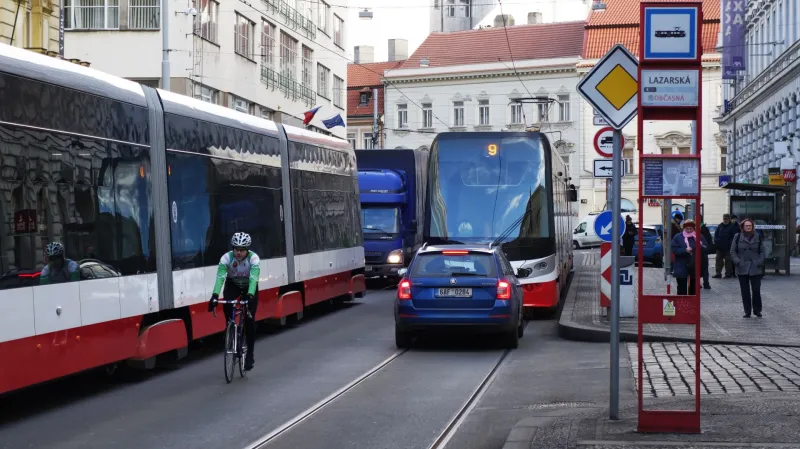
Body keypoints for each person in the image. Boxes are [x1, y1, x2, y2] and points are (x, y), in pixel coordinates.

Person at [208, 232, 260, 371]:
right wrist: (214, 295)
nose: (238, 252)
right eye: (236, 249)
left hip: (249, 287)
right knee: (227, 304)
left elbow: (254, 279)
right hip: (233, 285)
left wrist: (250, 295)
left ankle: (250, 355)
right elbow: (220, 278)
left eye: (242, 250)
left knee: (249, 321)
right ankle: (230, 328)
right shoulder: (226, 258)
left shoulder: (253, 259)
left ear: (247, 250)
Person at [730, 219, 766, 318]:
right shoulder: (737, 237)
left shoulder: (758, 236)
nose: (748, 227)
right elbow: (733, 251)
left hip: (755, 267)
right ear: (742, 227)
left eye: (750, 225)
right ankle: (747, 311)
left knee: (756, 290)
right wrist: (738, 262)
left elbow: (762, 251)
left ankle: (757, 310)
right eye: (746, 225)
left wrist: (759, 262)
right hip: (742, 267)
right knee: (745, 291)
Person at [670, 219, 709, 295]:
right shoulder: (678, 237)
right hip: (681, 265)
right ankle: (682, 304)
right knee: (682, 288)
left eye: (691, 228)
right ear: (684, 228)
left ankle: (692, 305)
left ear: (694, 228)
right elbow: (674, 249)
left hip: (694, 266)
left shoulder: (699, 237)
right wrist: (685, 250)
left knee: (694, 289)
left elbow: (706, 248)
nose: (689, 230)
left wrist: (698, 248)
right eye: (687, 229)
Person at [713, 213, 737, 278]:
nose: (725, 220)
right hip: (720, 247)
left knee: (728, 261)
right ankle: (718, 273)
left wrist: (730, 244)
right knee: (718, 260)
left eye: (726, 219)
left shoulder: (732, 226)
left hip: (728, 247)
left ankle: (728, 274)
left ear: (729, 219)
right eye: (724, 218)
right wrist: (717, 242)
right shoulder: (720, 226)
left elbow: (734, 237)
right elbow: (716, 235)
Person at [699, 219, 714, 289]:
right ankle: (705, 284)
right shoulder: (704, 229)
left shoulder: (703, 229)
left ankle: (704, 283)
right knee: (704, 269)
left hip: (702, 252)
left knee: (703, 268)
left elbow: (708, 241)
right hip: (704, 252)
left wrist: (706, 249)